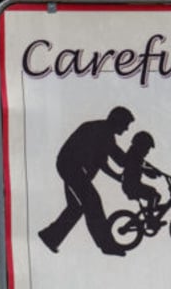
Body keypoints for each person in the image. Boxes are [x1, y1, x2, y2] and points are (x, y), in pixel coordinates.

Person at [38, 106, 135, 256]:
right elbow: (105, 163)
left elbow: (120, 159)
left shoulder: (106, 133)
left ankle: (50, 236)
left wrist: (137, 159)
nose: (127, 129)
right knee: (92, 202)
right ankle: (107, 245)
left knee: (76, 206)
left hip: (73, 169)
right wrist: (120, 174)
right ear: (118, 121)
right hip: (71, 168)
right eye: (126, 124)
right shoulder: (101, 132)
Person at [120, 131, 162, 217]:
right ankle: (150, 217)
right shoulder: (133, 156)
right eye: (147, 148)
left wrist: (156, 171)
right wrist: (152, 172)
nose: (147, 152)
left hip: (132, 185)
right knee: (153, 194)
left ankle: (149, 213)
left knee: (156, 196)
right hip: (131, 186)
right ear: (140, 146)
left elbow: (145, 165)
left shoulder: (136, 156)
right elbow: (142, 167)